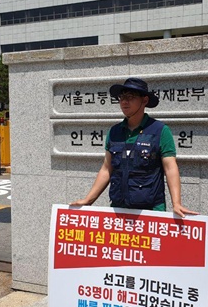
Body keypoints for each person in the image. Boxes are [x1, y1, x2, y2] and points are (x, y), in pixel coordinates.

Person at [70, 77, 198, 218]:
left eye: (130, 97)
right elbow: (106, 169)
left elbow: (170, 168)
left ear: (144, 100)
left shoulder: (160, 131)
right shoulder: (114, 132)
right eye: (122, 97)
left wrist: (177, 203)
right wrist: (88, 200)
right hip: (119, 210)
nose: (124, 101)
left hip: (150, 211)